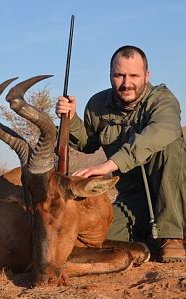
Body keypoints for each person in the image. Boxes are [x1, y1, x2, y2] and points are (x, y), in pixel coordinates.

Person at [56, 45, 185, 262]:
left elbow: (154, 137)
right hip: (132, 198)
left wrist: (107, 166)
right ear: (110, 75)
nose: (126, 83)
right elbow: (87, 143)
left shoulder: (164, 100)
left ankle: (172, 237)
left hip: (174, 195)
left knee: (169, 145)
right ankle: (152, 238)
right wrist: (70, 119)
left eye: (134, 75)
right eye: (119, 75)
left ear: (146, 75)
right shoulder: (98, 103)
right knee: (91, 235)